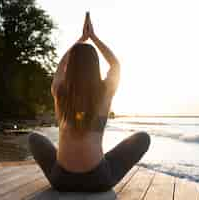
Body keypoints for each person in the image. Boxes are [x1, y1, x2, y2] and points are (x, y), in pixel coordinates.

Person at [28, 12, 150, 192]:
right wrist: (93, 37)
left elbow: (60, 68)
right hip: (98, 180)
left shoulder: (60, 93)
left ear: (71, 66)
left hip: (61, 180)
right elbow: (115, 65)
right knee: (142, 138)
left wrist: (80, 39)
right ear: (95, 67)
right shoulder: (104, 93)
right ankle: (97, 162)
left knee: (33, 138)